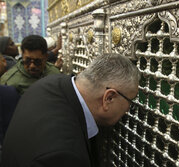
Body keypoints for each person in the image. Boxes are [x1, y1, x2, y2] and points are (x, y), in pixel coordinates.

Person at [1, 54, 140, 167]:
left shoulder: (50, 83)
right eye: (130, 101)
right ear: (108, 98)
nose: (128, 110)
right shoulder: (64, 156)